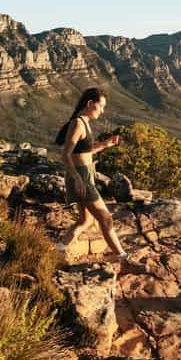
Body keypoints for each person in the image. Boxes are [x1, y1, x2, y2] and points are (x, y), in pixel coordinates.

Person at [56, 88, 145, 271]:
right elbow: (65, 155)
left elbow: (84, 152)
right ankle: (123, 259)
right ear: (89, 103)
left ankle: (58, 251)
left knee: (85, 221)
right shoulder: (78, 124)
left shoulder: (85, 122)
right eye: (101, 106)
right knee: (106, 218)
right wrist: (78, 179)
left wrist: (105, 144)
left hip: (85, 175)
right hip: (81, 177)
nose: (102, 110)